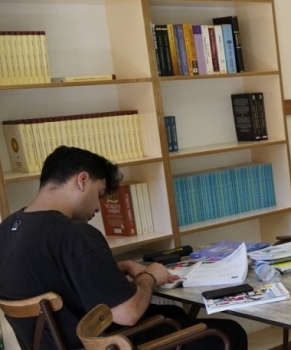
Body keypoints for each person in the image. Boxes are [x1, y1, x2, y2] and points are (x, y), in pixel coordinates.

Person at [0, 146, 247, 349]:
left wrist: (119, 267)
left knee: (174, 314)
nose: (98, 208)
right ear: (82, 180)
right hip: (104, 344)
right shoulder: (75, 234)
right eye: (100, 194)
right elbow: (128, 314)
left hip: (60, 342)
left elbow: (56, 279)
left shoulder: (8, 228)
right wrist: (150, 276)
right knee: (228, 333)